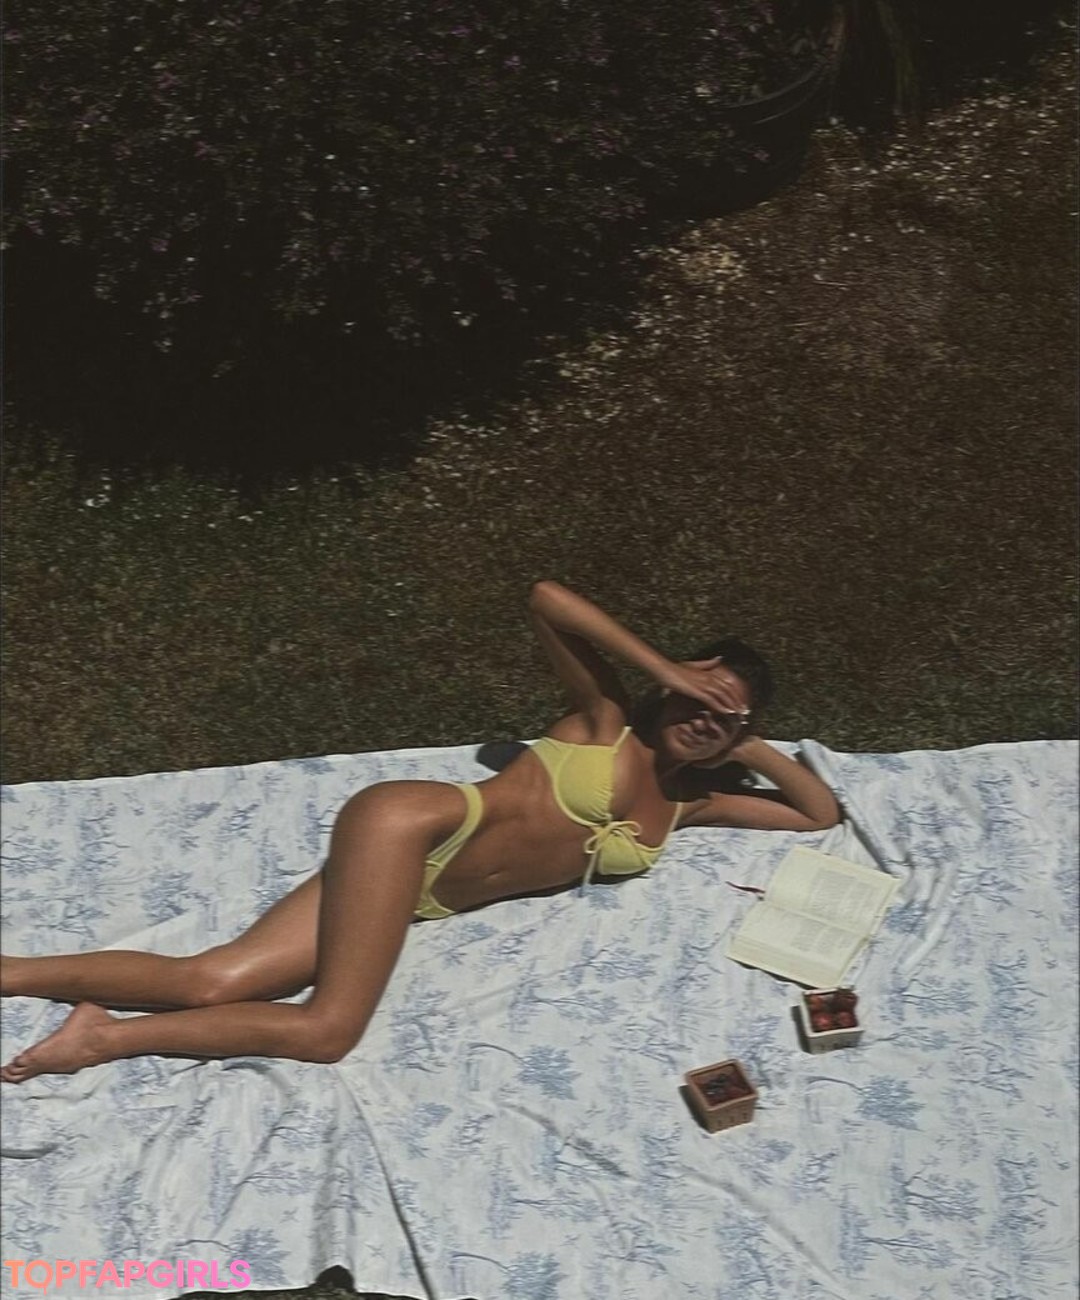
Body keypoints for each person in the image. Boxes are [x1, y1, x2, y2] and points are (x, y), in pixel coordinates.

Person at [0, 580, 840, 1083]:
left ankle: (14, 975)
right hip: (410, 828)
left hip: (418, 893)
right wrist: (664, 669)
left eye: (725, 719)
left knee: (213, 979)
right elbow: (545, 599)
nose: (705, 719)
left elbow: (817, 811)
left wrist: (744, 734)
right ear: (670, 687)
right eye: (700, 699)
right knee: (328, 1032)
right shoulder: (606, 718)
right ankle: (102, 1040)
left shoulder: (690, 804)